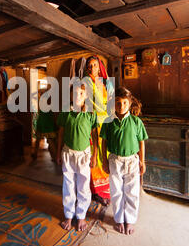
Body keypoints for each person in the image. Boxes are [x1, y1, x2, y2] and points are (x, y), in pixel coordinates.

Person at [100, 86, 148, 235]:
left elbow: (141, 142)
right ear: (113, 104)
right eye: (118, 103)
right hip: (114, 160)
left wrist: (142, 161)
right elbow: (104, 142)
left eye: (125, 103)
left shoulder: (136, 122)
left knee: (132, 191)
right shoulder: (109, 122)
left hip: (132, 160)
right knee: (116, 191)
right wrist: (103, 160)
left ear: (130, 103)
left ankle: (130, 220)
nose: (121, 106)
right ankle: (119, 218)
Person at [56, 84, 99, 232]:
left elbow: (95, 135)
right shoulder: (65, 112)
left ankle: (81, 215)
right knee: (68, 185)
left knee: (83, 186)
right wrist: (58, 152)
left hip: (84, 155)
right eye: (74, 93)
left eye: (81, 93)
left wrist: (95, 155)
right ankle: (68, 214)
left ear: (86, 96)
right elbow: (60, 133)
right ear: (69, 95)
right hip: (67, 153)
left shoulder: (90, 114)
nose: (77, 96)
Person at [84, 56, 114, 206]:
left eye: (94, 65)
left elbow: (109, 101)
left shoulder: (103, 83)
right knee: (94, 155)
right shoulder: (85, 82)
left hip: (105, 122)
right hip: (93, 123)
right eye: (89, 66)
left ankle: (106, 189)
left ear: (99, 66)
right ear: (86, 68)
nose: (92, 68)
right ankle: (97, 191)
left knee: (105, 155)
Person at [32, 90, 57, 160]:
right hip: (44, 121)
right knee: (45, 140)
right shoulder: (47, 101)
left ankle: (54, 157)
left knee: (48, 140)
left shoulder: (45, 101)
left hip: (45, 121)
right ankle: (54, 157)